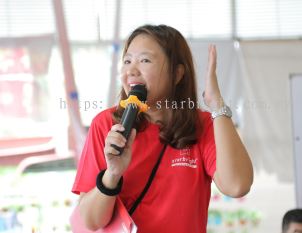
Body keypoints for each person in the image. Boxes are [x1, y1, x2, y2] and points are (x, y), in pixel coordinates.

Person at [71, 24, 253, 233]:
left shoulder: (202, 125)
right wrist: (112, 174)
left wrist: (217, 104)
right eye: (128, 61)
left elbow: (237, 185)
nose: (131, 70)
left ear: (177, 74)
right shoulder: (107, 124)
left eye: (145, 60)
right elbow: (91, 221)